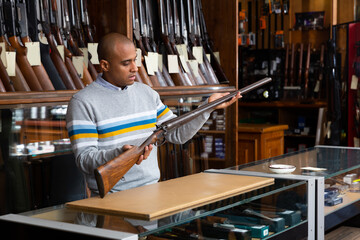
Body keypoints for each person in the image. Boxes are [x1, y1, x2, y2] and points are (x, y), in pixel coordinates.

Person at [66, 33, 241, 195]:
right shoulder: (82, 102)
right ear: (105, 65)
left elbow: (178, 134)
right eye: (126, 63)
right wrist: (119, 153)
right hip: (111, 198)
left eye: (135, 60)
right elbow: (84, 160)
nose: (135, 68)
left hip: (152, 191)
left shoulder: (147, 93)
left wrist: (208, 107)